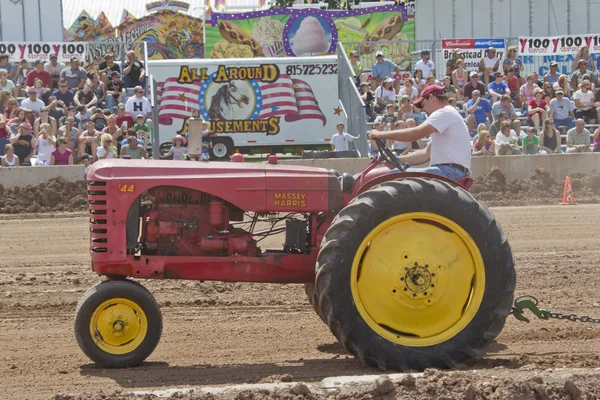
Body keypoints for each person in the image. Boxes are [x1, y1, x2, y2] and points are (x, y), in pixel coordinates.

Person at [368, 84, 471, 180]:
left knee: (392, 177)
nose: (423, 110)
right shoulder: (447, 116)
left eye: (424, 105)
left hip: (449, 171)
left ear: (432, 98)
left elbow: (414, 134)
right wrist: (398, 160)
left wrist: (380, 134)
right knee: (395, 175)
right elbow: (425, 154)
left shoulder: (444, 113)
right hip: (452, 171)